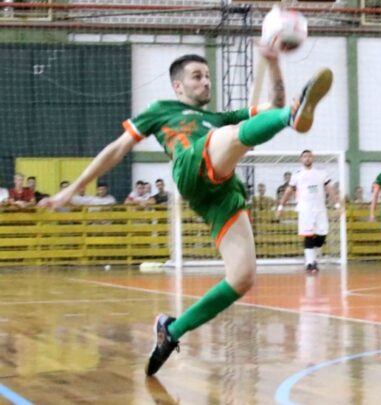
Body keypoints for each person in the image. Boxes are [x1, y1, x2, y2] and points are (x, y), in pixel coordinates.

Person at [41, 50, 333, 375]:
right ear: (178, 87)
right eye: (197, 76)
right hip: (190, 166)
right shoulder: (162, 111)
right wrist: (73, 188)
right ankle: (292, 120)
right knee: (229, 137)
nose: (205, 81)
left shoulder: (220, 116)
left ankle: (172, 331)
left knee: (242, 277)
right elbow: (117, 149)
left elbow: (275, 102)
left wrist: (274, 59)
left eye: (207, 76)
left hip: (221, 192)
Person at [276, 150, 340, 272]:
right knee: (308, 235)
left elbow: (329, 189)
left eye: (309, 156)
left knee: (322, 236)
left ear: (313, 158)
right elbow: (288, 191)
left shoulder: (321, 173)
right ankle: (310, 263)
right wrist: (281, 207)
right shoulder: (297, 175)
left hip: (320, 208)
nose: (307, 158)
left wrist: (337, 204)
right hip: (305, 209)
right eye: (305, 156)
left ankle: (312, 257)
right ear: (301, 159)